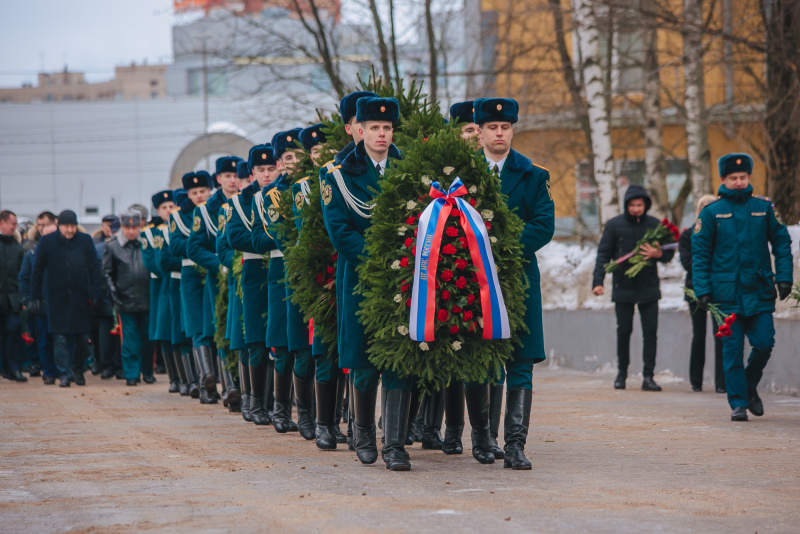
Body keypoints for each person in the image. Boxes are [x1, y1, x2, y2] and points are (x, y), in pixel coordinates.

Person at [322, 96, 415, 471]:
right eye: (375, 128)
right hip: (360, 277)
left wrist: (404, 261)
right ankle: (363, 434)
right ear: (360, 130)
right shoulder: (339, 174)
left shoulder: (409, 168)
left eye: (388, 128)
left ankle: (394, 445)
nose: (382, 134)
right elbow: (339, 231)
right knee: (363, 359)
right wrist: (379, 260)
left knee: (399, 356)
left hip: (405, 277)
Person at [473, 98, 555, 470]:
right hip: (473, 280)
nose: (499, 133)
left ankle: (516, 444)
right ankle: (483, 439)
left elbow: (543, 225)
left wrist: (502, 247)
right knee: (483, 359)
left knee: (520, 361)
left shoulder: (533, 174)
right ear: (480, 132)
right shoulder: (464, 174)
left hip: (519, 278)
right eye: (492, 127)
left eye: (505, 127)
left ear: (513, 130)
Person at [692, 153, 793, 421]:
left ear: (749, 177)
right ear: (723, 179)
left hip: (759, 290)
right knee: (732, 350)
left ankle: (748, 386)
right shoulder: (711, 212)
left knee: (764, 343)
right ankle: (738, 403)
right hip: (726, 295)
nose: (739, 182)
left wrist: (784, 276)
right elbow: (700, 254)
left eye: (743, 177)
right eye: (733, 178)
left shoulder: (764, 209)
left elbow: (782, 242)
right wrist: (702, 289)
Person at [592, 184, 674, 393]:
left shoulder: (655, 225)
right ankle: (621, 374)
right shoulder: (614, 225)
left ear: (646, 205)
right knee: (624, 331)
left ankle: (648, 377)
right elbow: (603, 255)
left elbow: (668, 253)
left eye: (640, 205)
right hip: (623, 286)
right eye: (632, 205)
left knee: (650, 333)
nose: (636, 208)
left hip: (648, 287)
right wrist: (598, 282)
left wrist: (658, 255)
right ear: (626, 205)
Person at [253, 128, 304, 435]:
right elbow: (277, 233)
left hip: (312, 273)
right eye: (287, 157)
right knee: (284, 345)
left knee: (310, 347)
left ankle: (311, 414)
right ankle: (280, 410)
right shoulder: (275, 194)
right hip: (283, 271)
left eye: (298, 154)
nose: (293, 162)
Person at [227, 144, 280, 425]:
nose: (267, 174)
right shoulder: (239, 202)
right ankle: (255, 401)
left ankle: (273, 402)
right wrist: (267, 242)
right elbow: (234, 236)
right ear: (252, 172)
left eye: (271, 168)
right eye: (261, 170)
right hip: (255, 271)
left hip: (281, 268)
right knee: (257, 340)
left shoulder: (283, 193)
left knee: (279, 339)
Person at [188, 156, 243, 407]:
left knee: (243, 330)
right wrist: (218, 265)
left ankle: (246, 387)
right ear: (218, 179)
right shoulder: (206, 210)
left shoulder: (248, 200)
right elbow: (195, 247)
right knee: (222, 329)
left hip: (245, 275)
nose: (233, 180)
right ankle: (230, 386)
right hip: (219, 279)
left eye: (236, 175)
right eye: (227, 176)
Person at [31, 210, 102, 387]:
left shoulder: (85, 241)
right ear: (59, 226)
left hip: (80, 297)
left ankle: (78, 370)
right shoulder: (47, 242)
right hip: (56, 298)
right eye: (66, 226)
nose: (70, 230)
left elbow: (94, 269)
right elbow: (37, 271)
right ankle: (63, 373)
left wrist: (95, 294)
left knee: (82, 338)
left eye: (72, 226)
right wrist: (35, 296)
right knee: (60, 338)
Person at [171, 172, 214, 403]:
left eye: (203, 191)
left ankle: (227, 383)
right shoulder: (178, 217)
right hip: (191, 275)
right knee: (198, 328)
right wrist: (198, 243)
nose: (199, 196)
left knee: (217, 327)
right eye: (195, 193)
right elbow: (175, 247)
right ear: (188, 194)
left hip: (213, 271)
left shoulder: (218, 209)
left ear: (210, 191)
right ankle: (206, 381)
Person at [679, 194, 726, 393]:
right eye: (704, 206)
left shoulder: (723, 233)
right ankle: (696, 381)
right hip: (694, 289)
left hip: (719, 290)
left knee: (721, 335)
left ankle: (721, 383)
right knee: (699, 334)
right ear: (699, 210)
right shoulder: (688, 235)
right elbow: (688, 263)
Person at [103, 212, 153, 386]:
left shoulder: (148, 243)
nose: (131, 231)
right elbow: (107, 273)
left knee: (148, 339)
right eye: (127, 228)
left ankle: (147, 371)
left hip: (148, 299)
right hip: (126, 300)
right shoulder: (113, 246)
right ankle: (131, 374)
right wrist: (114, 294)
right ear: (122, 227)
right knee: (130, 340)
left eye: (134, 227)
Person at [143, 190, 181, 393]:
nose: (168, 210)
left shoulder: (179, 225)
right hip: (162, 287)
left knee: (180, 331)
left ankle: (184, 377)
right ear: (157, 210)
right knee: (165, 332)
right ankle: (173, 377)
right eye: (164, 207)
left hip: (179, 283)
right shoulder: (151, 232)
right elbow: (152, 262)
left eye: (171, 206)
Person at [19, 218, 58, 383]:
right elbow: (24, 279)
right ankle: (49, 371)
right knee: (44, 340)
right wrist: (28, 301)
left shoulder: (65, 254)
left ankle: (63, 370)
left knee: (62, 339)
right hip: (41, 304)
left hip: (61, 304)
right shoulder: (32, 255)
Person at [0, 210, 25, 382]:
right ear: (2, 223)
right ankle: (3, 368)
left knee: (14, 331)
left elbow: (23, 275)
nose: (15, 227)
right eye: (13, 224)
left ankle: (14, 368)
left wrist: (22, 297)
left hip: (13, 299)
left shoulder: (18, 248)